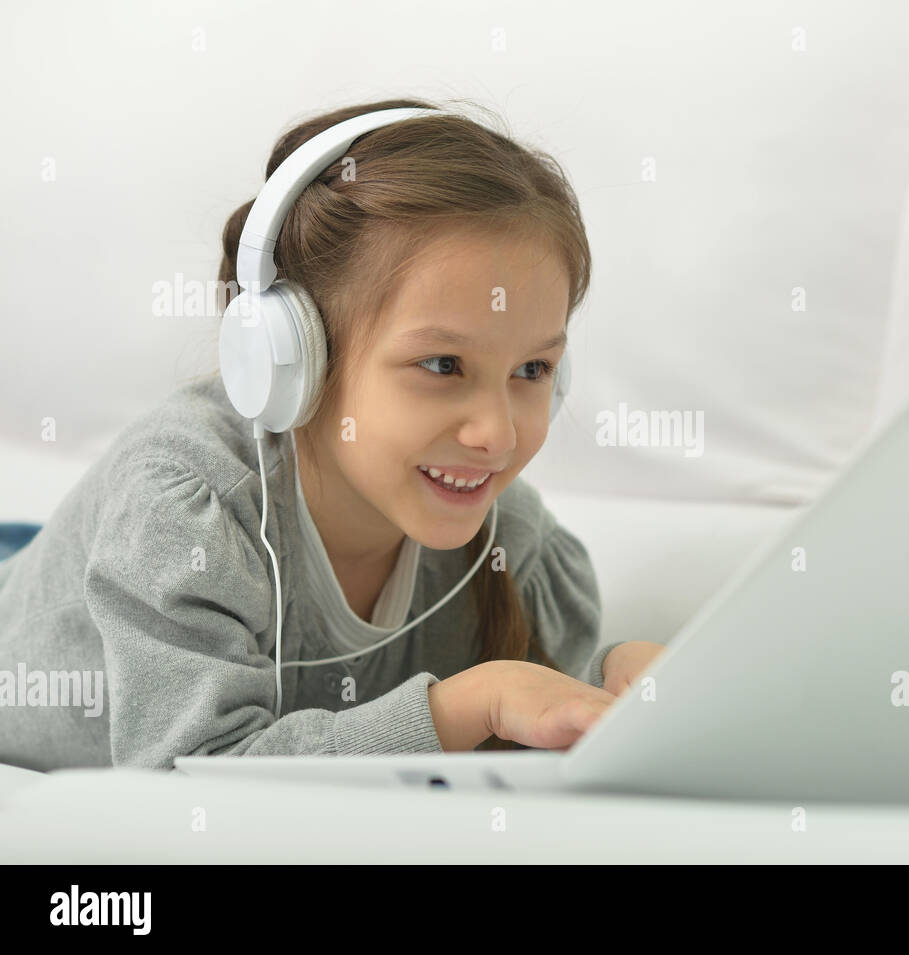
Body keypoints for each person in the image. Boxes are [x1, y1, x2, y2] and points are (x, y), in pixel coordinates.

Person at [0, 97, 665, 771]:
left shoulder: (509, 543)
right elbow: (186, 784)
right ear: (293, 361)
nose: (495, 434)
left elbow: (538, 698)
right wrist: (462, 708)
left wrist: (611, 679)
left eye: (532, 368)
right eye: (442, 364)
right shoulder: (182, 514)